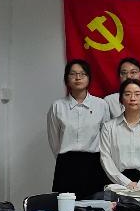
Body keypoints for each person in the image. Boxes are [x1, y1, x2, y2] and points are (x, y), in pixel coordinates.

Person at [47, 59, 110, 198]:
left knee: (94, 205)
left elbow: (106, 138)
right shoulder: (58, 106)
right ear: (66, 79)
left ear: (89, 78)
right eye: (73, 74)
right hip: (66, 165)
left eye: (82, 74)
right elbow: (54, 139)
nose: (78, 78)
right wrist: (64, 157)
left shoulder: (101, 105)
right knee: (66, 207)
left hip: (94, 164)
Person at [99, 78, 140, 189]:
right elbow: (105, 158)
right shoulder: (108, 127)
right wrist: (126, 183)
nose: (133, 98)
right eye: (127, 94)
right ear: (121, 99)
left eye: (137, 94)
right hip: (118, 183)